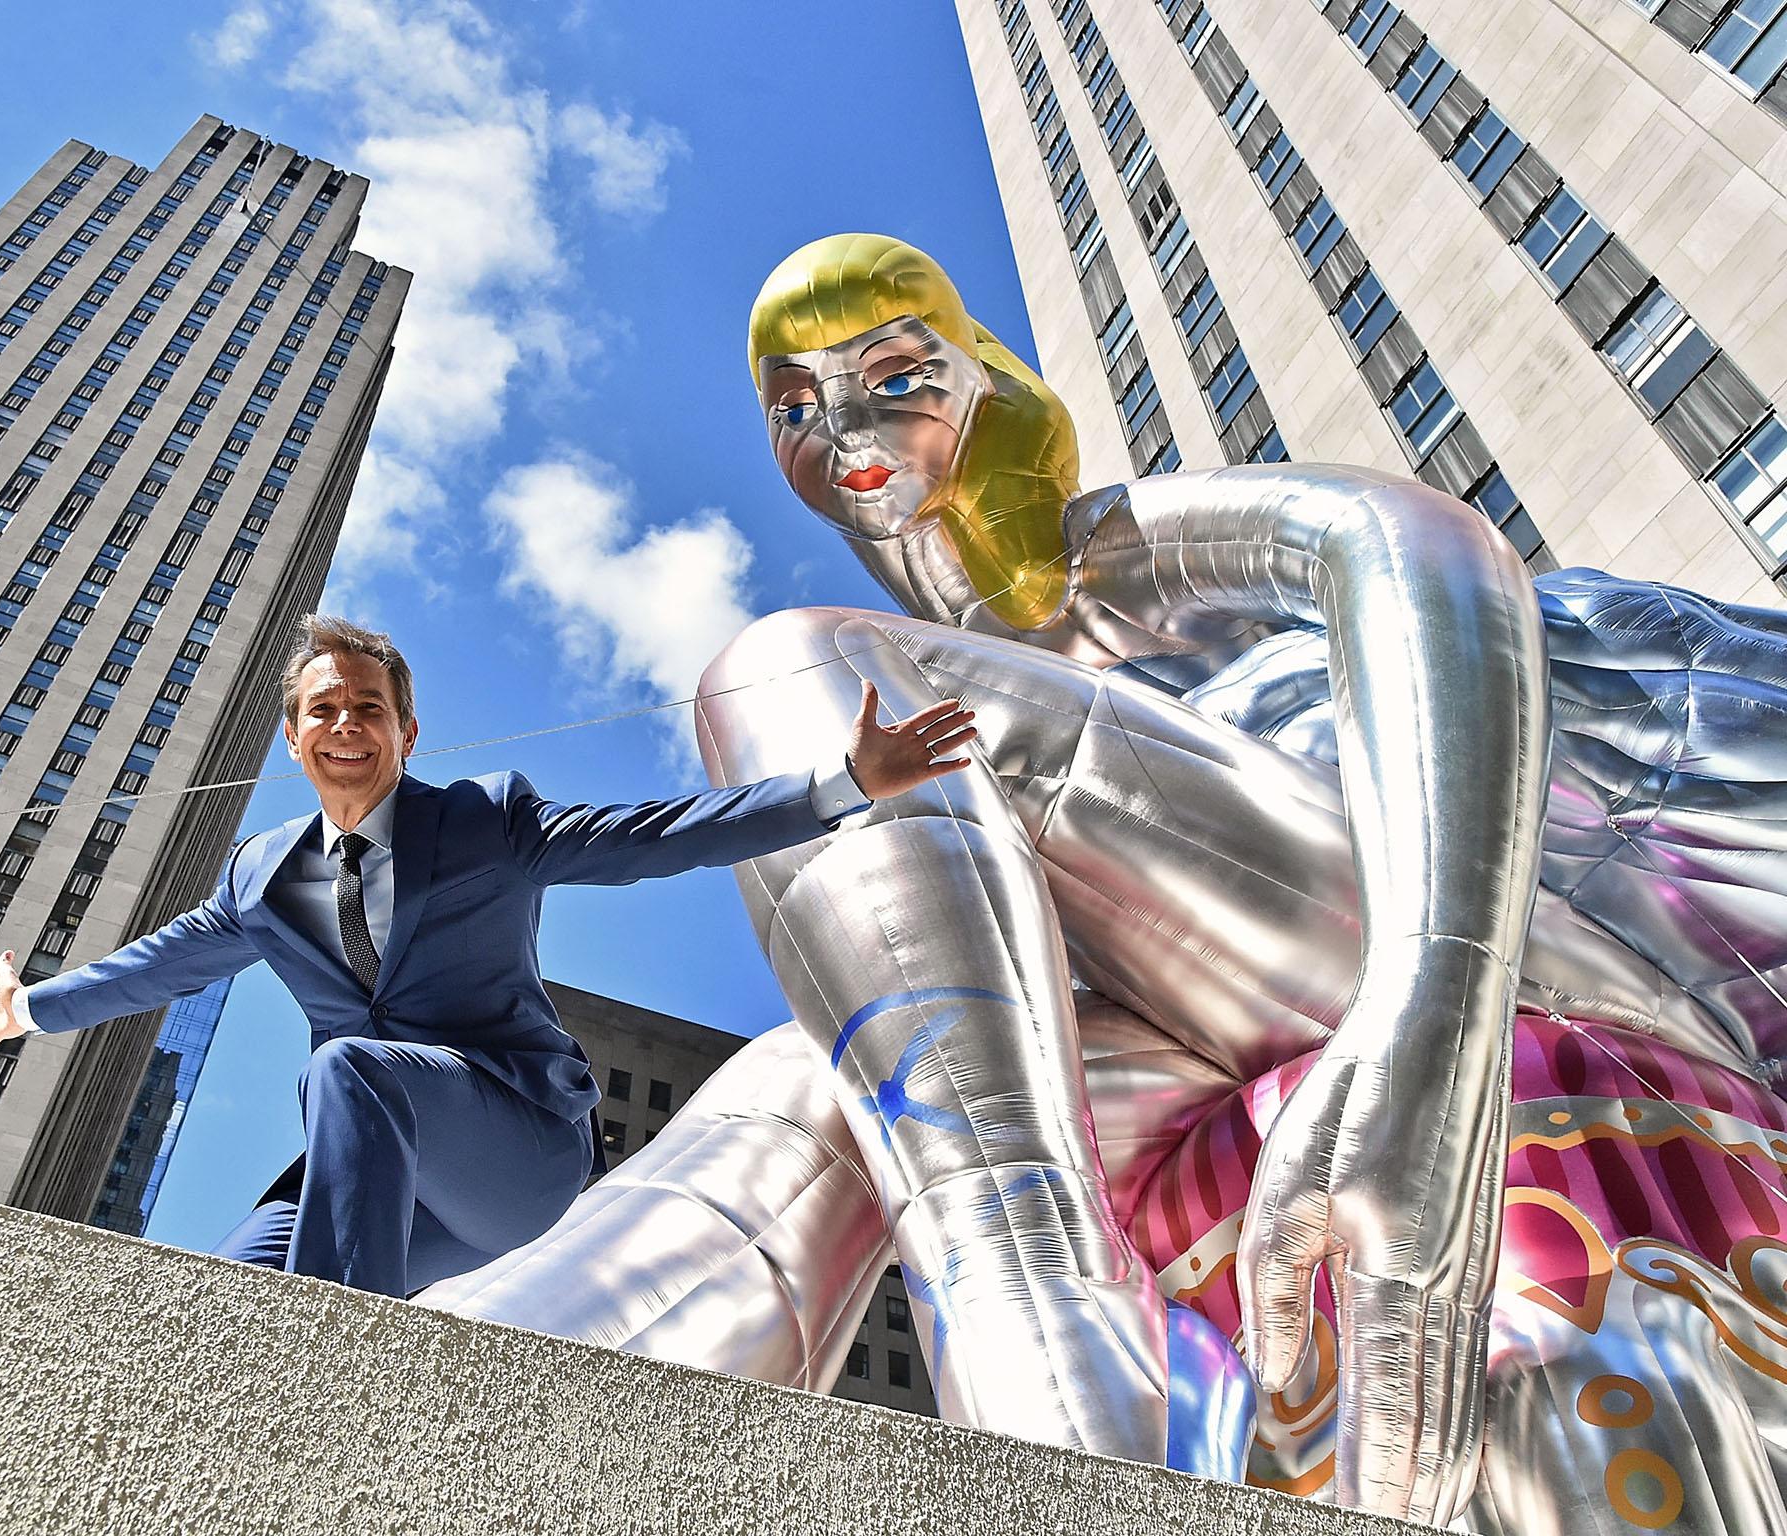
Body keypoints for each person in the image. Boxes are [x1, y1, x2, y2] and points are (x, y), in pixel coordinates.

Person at [425, 235, 1787, 1534]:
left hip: (1506, 957)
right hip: (1191, 1053)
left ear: (985, 380)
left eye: (894, 380)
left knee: (796, 676)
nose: (845, 441)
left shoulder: (1123, 557)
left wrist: (1438, 1003)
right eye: (797, 411)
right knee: (814, 1082)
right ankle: (441, 1412)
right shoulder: (991, 746)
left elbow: (1422, 547)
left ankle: (1034, 1307)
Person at [0, 612, 976, 1300]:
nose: (346, 725)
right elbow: (165, 963)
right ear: (293, 740)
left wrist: (841, 781)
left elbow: (655, 833)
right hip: (375, 1184)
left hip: (514, 1152)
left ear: (405, 732)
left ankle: (323, 1372)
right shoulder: (258, 876)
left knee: (349, 1073)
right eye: (323, 710)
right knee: (228, 1284)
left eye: (368, 707)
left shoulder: (485, 820)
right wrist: (36, 1008)